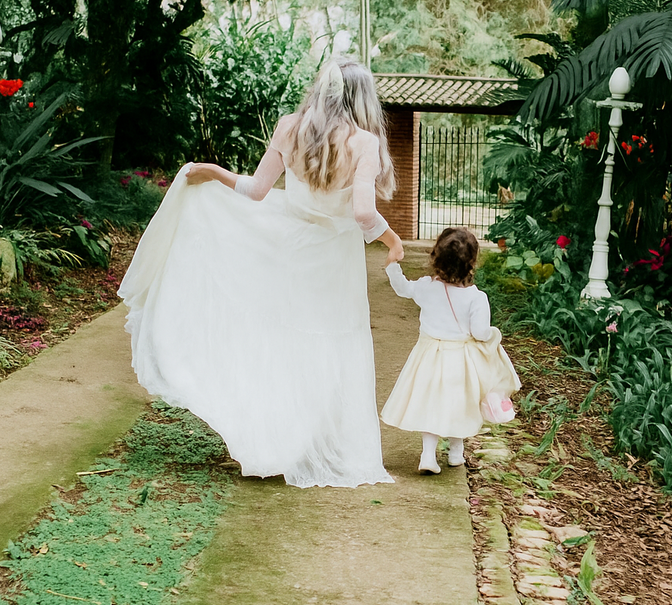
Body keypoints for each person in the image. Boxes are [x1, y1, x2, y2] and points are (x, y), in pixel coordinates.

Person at [117, 59, 403, 488]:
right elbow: (363, 211)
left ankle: (277, 443)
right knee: (335, 340)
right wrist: (392, 240)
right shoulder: (364, 143)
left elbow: (255, 191)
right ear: (361, 98)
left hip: (291, 248)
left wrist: (212, 172)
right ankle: (317, 444)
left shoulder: (291, 127)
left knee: (288, 340)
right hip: (333, 263)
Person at [381, 227, 521, 474]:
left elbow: (403, 288)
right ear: (472, 263)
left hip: (428, 356)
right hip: (460, 360)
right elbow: (479, 332)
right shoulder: (476, 298)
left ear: (436, 257)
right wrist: (492, 334)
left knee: (430, 403)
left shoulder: (426, 287)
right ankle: (456, 453)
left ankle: (428, 455)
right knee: (460, 404)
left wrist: (393, 266)